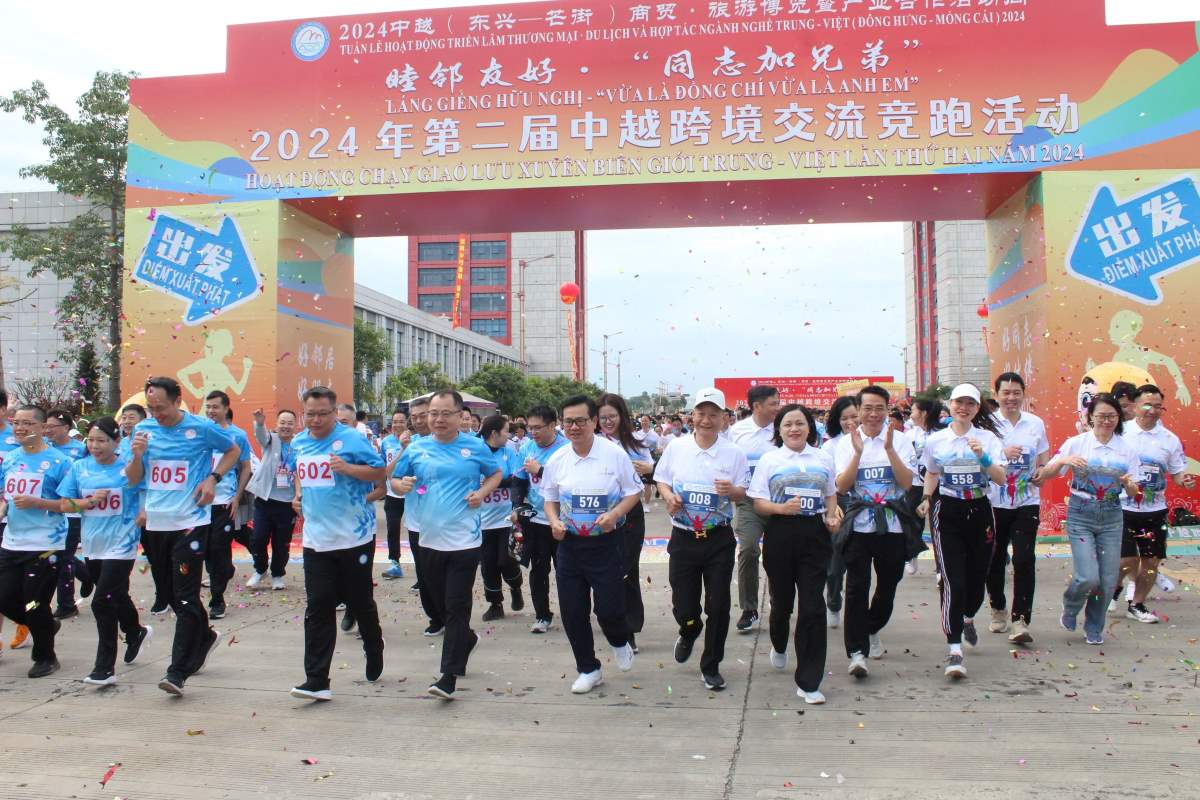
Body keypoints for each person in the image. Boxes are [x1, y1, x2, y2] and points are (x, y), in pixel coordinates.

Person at [125, 375, 240, 696]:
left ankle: (177, 671)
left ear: (177, 401)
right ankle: (204, 636)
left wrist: (213, 479)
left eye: (161, 407)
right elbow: (134, 480)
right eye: (151, 407)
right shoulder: (143, 432)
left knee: (187, 596)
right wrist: (136, 456)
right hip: (157, 525)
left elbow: (232, 451)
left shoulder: (200, 428)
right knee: (174, 597)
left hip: (190, 523)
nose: (156, 413)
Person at [392, 390, 501, 700]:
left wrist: (481, 493)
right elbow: (395, 481)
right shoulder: (417, 448)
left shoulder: (474, 446)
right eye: (433, 414)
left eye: (445, 413)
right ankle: (464, 639)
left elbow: (495, 473)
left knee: (456, 605)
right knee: (439, 605)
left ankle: (448, 676)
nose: (438, 419)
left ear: (458, 416)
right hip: (428, 539)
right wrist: (403, 485)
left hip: (464, 541)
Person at [287, 386, 386, 702]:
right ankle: (317, 679)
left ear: (334, 413)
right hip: (316, 540)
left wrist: (348, 469)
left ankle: (374, 645)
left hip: (353, 536)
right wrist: (298, 495)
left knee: (360, 601)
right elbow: (301, 472)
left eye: (322, 414)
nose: (315, 420)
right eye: (310, 414)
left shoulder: (353, 439)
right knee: (318, 607)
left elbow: (380, 471)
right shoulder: (300, 441)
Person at [542, 395, 643, 694]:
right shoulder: (558, 459)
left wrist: (614, 514)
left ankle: (619, 639)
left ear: (594, 422)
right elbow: (550, 499)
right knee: (573, 612)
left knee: (609, 610)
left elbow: (633, 492)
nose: (574, 427)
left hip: (607, 544)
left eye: (581, 421)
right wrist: (554, 521)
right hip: (570, 547)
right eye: (568, 421)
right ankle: (589, 668)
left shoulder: (613, 455)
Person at [654, 387, 750, 691]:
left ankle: (711, 665)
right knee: (684, 604)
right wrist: (668, 496)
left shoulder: (734, 453)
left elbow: (744, 492)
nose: (706, 420)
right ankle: (689, 629)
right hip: (683, 537)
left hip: (718, 537)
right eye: (701, 413)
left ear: (724, 418)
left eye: (713, 414)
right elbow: (662, 479)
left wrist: (731, 491)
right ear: (691, 415)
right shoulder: (677, 447)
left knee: (719, 605)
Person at [749, 404, 841, 704]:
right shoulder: (770, 459)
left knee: (813, 606)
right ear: (779, 430)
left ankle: (809, 681)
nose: (794, 429)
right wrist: (781, 509)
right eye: (787, 424)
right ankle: (778, 642)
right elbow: (759, 502)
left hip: (814, 536)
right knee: (782, 602)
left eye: (799, 423)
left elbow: (831, 493)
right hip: (780, 534)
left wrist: (832, 515)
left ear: (809, 427)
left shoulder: (822, 457)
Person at [1036, 393, 1141, 646]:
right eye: (1101, 416)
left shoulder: (1126, 449)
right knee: (1087, 577)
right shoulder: (1077, 443)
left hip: (1112, 515)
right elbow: (1046, 473)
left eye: (1112, 416)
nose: (1106, 421)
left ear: (1119, 418)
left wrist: (1129, 485)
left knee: (1107, 580)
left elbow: (1136, 491)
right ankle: (1071, 606)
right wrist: (1063, 459)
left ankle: (1094, 626)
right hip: (1081, 513)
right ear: (1090, 417)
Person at [917, 384, 1006, 680]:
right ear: (950, 405)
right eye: (958, 402)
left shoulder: (988, 438)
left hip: (980, 510)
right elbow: (932, 473)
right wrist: (927, 500)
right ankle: (954, 648)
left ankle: (968, 616)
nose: (963, 408)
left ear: (977, 409)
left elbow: (1001, 478)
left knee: (977, 579)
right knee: (953, 579)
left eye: (970, 404)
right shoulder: (936, 440)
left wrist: (983, 458)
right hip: (949, 511)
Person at [56, 417, 152, 686]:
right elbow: (64, 504)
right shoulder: (80, 467)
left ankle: (104, 668)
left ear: (116, 442)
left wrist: (144, 512)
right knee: (116, 593)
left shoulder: (128, 466)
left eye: (102, 441)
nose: (95, 446)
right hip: (93, 544)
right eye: (91, 440)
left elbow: (145, 490)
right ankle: (135, 631)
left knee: (102, 601)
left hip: (122, 543)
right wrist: (87, 502)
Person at [834, 386, 916, 680]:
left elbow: (907, 484)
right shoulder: (846, 443)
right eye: (867, 408)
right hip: (859, 525)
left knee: (889, 582)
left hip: (891, 525)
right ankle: (856, 652)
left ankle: (870, 627)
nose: (872, 414)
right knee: (856, 586)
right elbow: (842, 486)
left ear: (887, 409)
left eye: (878, 407)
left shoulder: (901, 441)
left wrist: (891, 450)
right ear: (858, 410)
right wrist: (857, 454)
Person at [0, 406, 73, 677]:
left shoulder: (60, 463)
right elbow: (3, 494)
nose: (20, 428)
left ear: (43, 428)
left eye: (28, 424)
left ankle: (46, 657)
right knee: (5, 598)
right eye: (16, 423)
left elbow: (73, 504)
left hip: (46, 544)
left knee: (35, 603)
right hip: (12, 541)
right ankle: (45, 624)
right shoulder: (10, 459)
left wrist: (37, 502)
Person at [1115, 385, 1192, 622]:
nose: (1152, 411)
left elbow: (1178, 472)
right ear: (1135, 406)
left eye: (1158, 406)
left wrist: (1184, 480)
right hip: (1123, 508)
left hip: (1154, 511)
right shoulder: (1120, 432)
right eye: (1147, 405)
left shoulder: (1169, 440)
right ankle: (1114, 586)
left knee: (1150, 561)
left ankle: (1136, 604)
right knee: (1127, 560)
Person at [985, 373, 1050, 643]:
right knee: (994, 558)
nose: (1011, 398)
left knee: (1024, 559)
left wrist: (1042, 472)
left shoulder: (1035, 424)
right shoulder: (986, 425)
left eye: (1016, 392)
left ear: (1024, 393)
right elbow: (979, 459)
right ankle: (998, 608)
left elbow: (1043, 458)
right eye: (1006, 392)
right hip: (993, 502)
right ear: (996, 394)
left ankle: (1020, 620)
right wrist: (1001, 454)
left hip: (1026, 501)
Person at [598, 393, 655, 652]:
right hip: (599, 515)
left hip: (630, 514)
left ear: (622, 416)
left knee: (627, 569)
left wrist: (647, 470)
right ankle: (609, 617)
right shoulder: (592, 443)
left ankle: (629, 628)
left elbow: (653, 473)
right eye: (603, 417)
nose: (608, 422)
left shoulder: (637, 444)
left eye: (612, 416)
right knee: (604, 570)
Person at [513, 404, 569, 633]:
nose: (533, 432)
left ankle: (572, 612)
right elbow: (518, 480)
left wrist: (541, 471)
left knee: (567, 571)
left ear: (553, 424)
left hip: (563, 521)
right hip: (536, 521)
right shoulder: (526, 448)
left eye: (538, 427)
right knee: (538, 570)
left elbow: (570, 483)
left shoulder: (567, 449)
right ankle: (542, 615)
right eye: (530, 427)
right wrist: (518, 505)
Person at [729, 384, 780, 633]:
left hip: (779, 502)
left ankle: (778, 602)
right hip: (748, 501)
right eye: (773, 403)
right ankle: (749, 608)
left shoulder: (783, 429)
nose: (777, 408)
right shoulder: (737, 432)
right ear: (757, 406)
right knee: (748, 549)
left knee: (777, 555)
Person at [201, 391, 252, 619]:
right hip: (199, 504)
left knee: (219, 549)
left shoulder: (237, 435)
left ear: (225, 409)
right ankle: (223, 572)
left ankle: (217, 600)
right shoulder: (199, 433)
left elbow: (246, 468)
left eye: (215, 407)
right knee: (205, 552)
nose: (211, 411)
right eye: (208, 407)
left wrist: (237, 497)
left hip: (224, 503)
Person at [43, 409, 91, 620]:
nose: (48, 430)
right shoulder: (44, 448)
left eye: (52, 426)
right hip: (50, 512)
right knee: (61, 556)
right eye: (46, 426)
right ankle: (86, 575)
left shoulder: (80, 450)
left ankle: (66, 604)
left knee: (63, 559)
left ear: (66, 428)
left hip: (72, 513)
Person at [478, 414, 525, 621]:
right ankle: (495, 603)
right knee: (488, 564)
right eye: (506, 431)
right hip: (481, 520)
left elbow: (516, 478)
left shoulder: (510, 451)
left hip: (507, 517)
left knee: (506, 559)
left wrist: (492, 483)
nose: (509, 435)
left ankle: (516, 587)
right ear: (494, 433)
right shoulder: (475, 451)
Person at [247, 408, 299, 590]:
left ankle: (277, 574)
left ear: (295, 425)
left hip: (287, 502)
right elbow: (261, 436)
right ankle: (260, 570)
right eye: (282, 422)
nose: (286, 426)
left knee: (281, 543)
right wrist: (260, 423)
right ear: (277, 424)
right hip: (265, 498)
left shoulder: (299, 444)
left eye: (289, 423)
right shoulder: (271, 439)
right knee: (258, 538)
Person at [821, 395, 859, 627]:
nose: (850, 422)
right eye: (844, 418)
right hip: (840, 504)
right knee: (835, 562)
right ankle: (834, 601)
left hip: (866, 505)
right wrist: (831, 509)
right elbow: (827, 484)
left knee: (858, 559)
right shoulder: (830, 446)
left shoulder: (874, 441)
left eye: (854, 416)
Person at [378, 410, 411, 581]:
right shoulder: (386, 442)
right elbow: (384, 469)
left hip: (412, 494)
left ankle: (423, 564)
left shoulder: (415, 440)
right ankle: (395, 563)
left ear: (407, 422)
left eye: (401, 421)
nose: (397, 424)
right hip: (392, 493)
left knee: (415, 530)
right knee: (393, 528)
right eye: (395, 421)